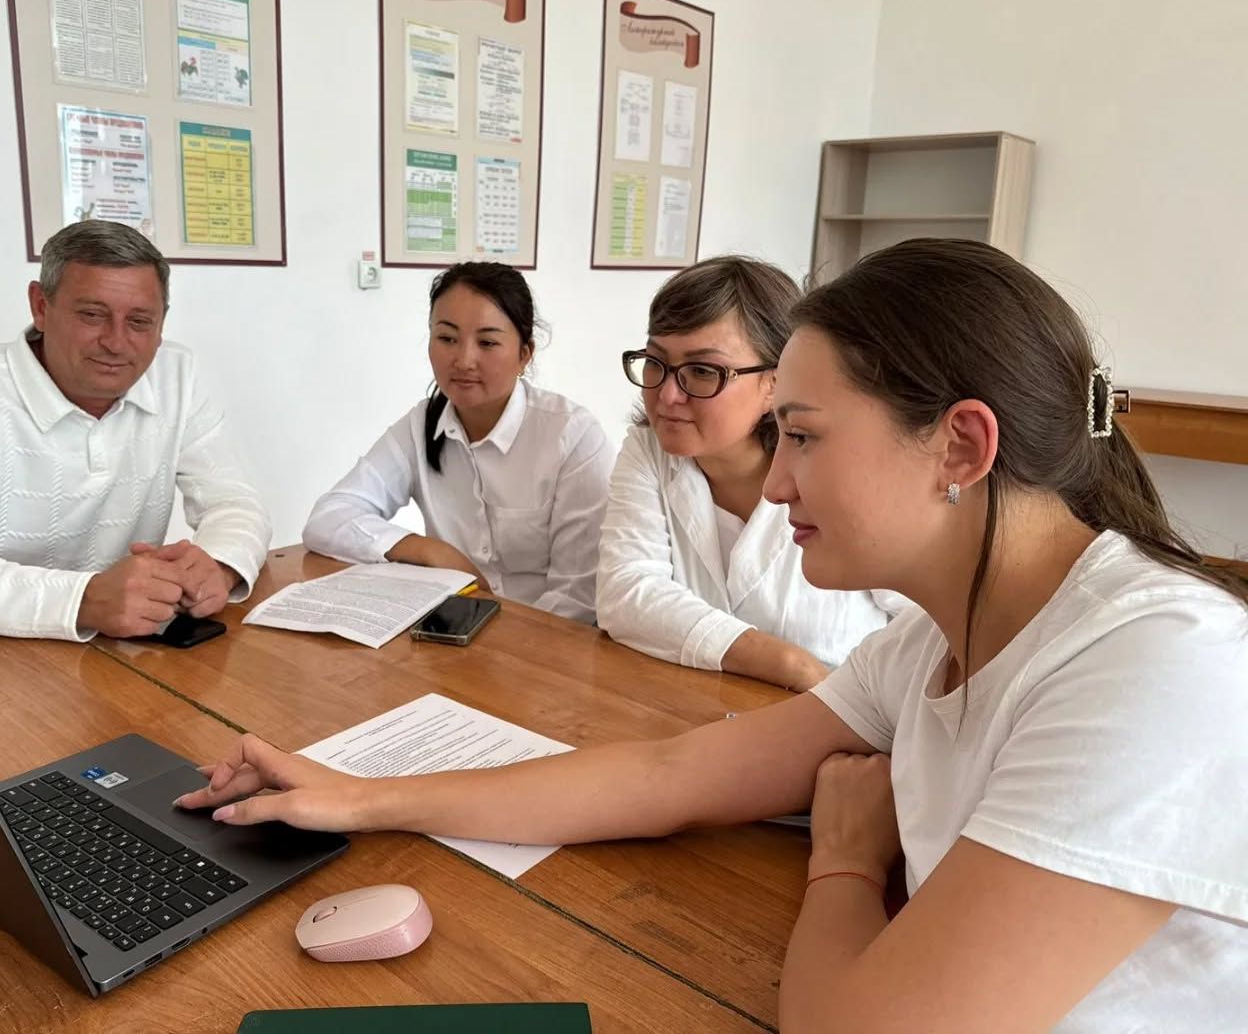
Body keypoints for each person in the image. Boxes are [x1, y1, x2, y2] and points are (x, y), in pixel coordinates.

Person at [181, 238, 1248, 1031]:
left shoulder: (1157, 668)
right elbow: (670, 774)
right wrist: (362, 797)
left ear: (960, 447)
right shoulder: (933, 642)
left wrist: (844, 862)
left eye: (805, 438)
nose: (776, 482)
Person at [0, 220, 271, 641]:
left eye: (140, 321)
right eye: (92, 315)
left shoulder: (176, 375)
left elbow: (234, 502)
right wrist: (85, 599)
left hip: (125, 648)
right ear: (40, 307)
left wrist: (217, 566)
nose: (116, 342)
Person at [597, 255, 902, 691]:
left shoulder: (847, 469)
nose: (667, 395)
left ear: (777, 383)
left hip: (851, 717)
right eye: (655, 362)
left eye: (703, 371)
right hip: (697, 706)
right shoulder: (648, 451)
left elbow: (924, 621)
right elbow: (625, 594)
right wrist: (794, 665)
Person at [301, 261, 613, 624]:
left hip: (546, 640)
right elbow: (328, 518)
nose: (463, 360)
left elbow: (577, 599)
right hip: (455, 632)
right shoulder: (420, 426)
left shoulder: (571, 436)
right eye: (447, 338)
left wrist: (507, 646)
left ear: (524, 354)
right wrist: (430, 550)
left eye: (487, 342)